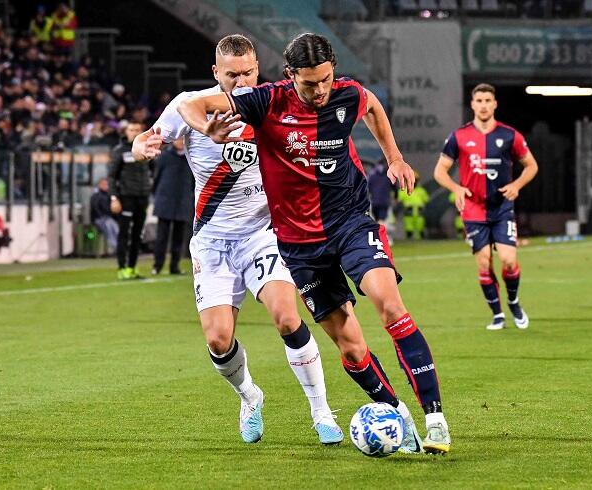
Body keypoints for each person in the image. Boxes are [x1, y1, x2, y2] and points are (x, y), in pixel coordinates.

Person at [177, 32, 450, 454]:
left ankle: (434, 418)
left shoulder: (346, 95)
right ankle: (398, 414)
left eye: (325, 79)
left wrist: (394, 156)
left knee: (389, 303)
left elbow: (372, 106)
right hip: (301, 247)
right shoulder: (266, 101)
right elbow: (191, 105)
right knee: (352, 348)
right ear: (290, 76)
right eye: (309, 83)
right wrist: (206, 129)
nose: (320, 90)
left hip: (350, 223)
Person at [133, 34, 344, 445]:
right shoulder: (193, 105)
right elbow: (149, 135)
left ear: (258, 68)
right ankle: (250, 396)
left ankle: (321, 411)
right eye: (232, 75)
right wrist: (143, 144)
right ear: (216, 72)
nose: (242, 81)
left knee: (286, 316)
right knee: (217, 338)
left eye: (249, 71)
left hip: (262, 235)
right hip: (212, 242)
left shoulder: (271, 102)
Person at [433, 83, 539, 331]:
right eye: (478, 100)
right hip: (473, 209)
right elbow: (440, 171)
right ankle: (497, 314)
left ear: (495, 104)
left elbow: (531, 166)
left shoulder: (510, 135)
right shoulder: (459, 136)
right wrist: (456, 188)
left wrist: (517, 185)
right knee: (483, 263)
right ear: (472, 104)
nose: (483, 105)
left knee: (509, 261)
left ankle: (513, 301)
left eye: (487, 100)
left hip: (501, 208)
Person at [109, 121, 149, 279]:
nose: (134, 132)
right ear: (126, 132)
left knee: (138, 234)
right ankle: (121, 268)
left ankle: (132, 267)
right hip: (126, 197)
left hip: (142, 197)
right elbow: (112, 176)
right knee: (124, 233)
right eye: (131, 130)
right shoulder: (119, 151)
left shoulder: (145, 149)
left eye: (137, 130)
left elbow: (151, 171)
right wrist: (114, 198)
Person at [151, 138, 194, 275]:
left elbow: (195, 180)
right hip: (165, 201)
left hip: (183, 201)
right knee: (161, 236)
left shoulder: (191, 157)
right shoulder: (164, 156)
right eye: (178, 139)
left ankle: (174, 266)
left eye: (183, 139)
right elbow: (156, 177)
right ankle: (157, 266)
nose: (181, 141)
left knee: (178, 237)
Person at [397, 171, 429, 239]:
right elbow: (398, 200)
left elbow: (426, 200)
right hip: (409, 212)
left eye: (415, 180)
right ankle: (409, 243)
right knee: (409, 229)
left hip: (419, 212)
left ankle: (421, 243)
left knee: (420, 228)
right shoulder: (403, 190)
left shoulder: (421, 191)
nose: (414, 182)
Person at [90, 178, 119, 253]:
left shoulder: (110, 196)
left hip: (109, 218)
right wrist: (101, 216)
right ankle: (115, 246)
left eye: (107, 184)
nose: (106, 186)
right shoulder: (96, 196)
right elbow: (95, 208)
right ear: (99, 185)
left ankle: (119, 246)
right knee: (108, 227)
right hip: (99, 219)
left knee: (116, 228)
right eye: (104, 184)